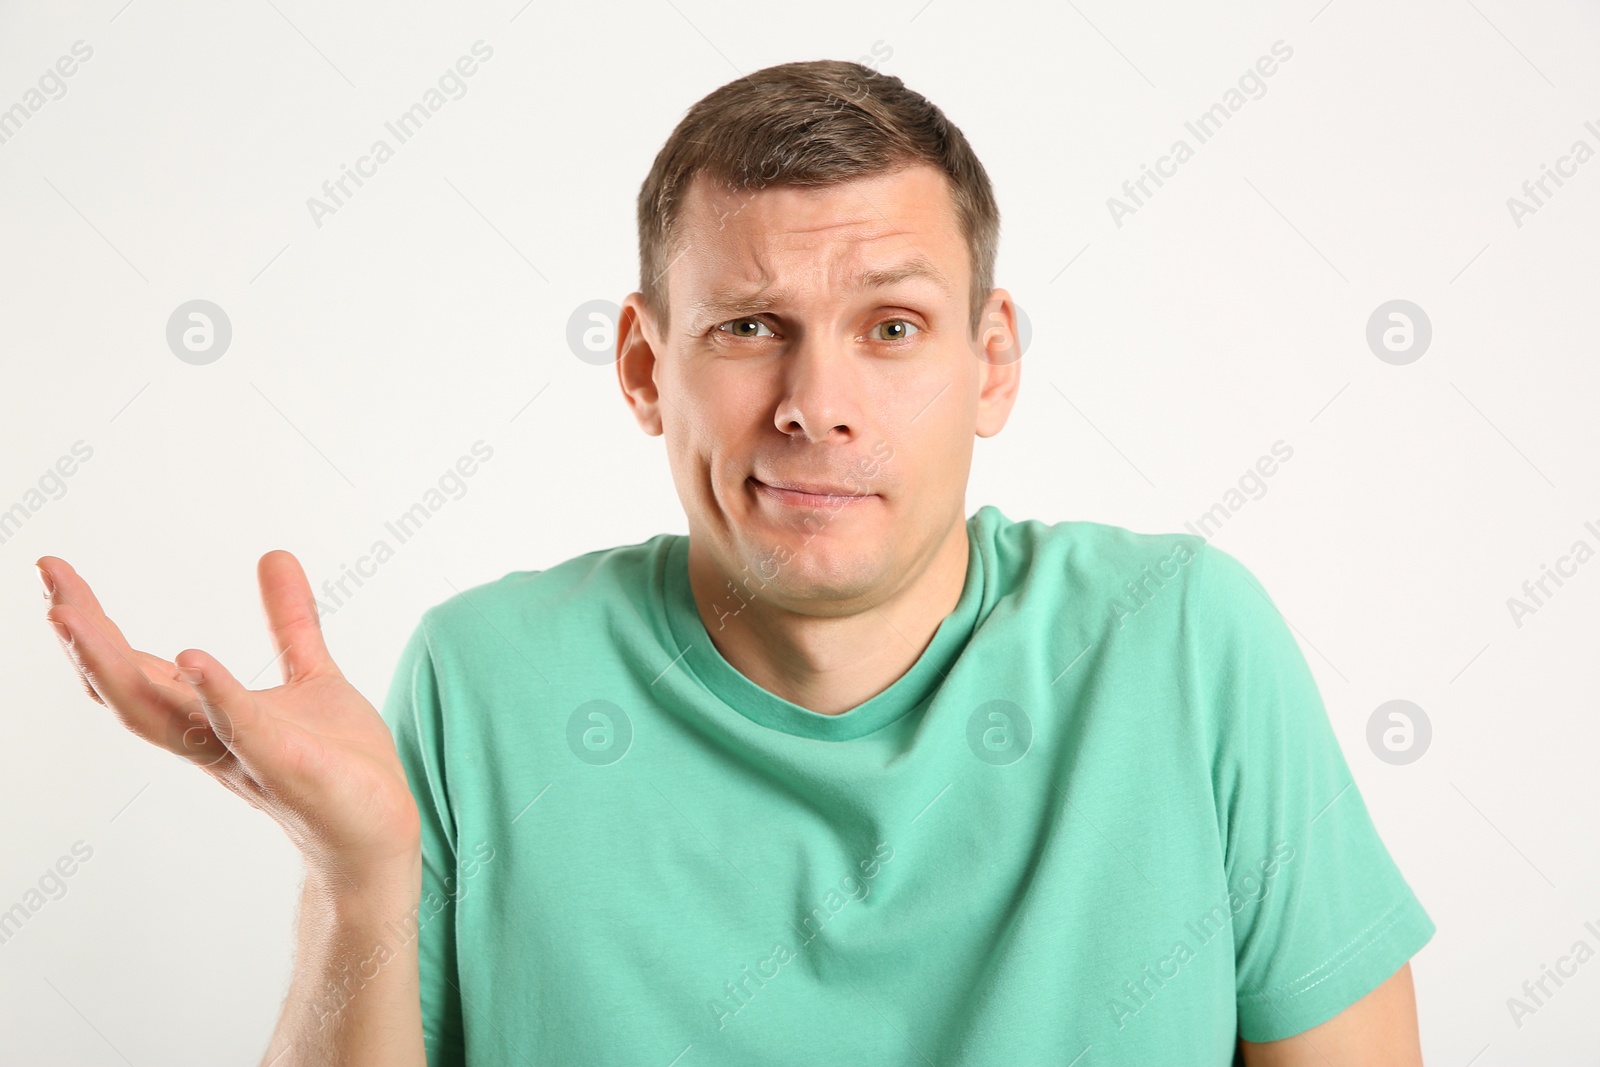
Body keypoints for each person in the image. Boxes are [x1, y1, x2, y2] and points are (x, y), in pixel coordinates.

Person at [37, 58, 1433, 1066]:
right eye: (751, 326)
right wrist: (358, 880)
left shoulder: (1181, 643)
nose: (815, 402)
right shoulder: (486, 680)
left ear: (989, 361)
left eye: (890, 327)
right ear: (648, 367)